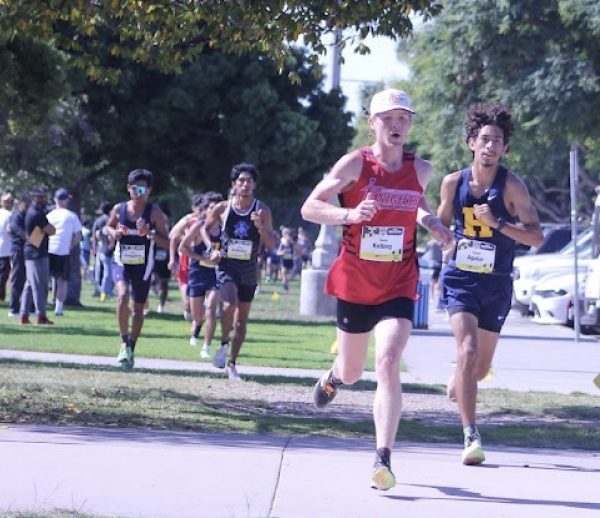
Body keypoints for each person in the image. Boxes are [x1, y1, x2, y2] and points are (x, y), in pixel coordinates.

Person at [301, 88, 453, 491]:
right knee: (352, 371)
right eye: (388, 118)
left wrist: (431, 223)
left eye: (404, 117)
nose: (397, 124)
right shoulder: (355, 164)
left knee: (387, 360)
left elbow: (412, 202)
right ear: (373, 123)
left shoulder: (420, 169)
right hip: (355, 282)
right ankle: (333, 377)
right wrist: (350, 213)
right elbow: (310, 206)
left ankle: (382, 459)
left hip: (398, 280)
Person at [437, 103, 543, 465]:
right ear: (471, 142)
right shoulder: (453, 183)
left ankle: (461, 378)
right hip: (461, 279)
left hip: (496, 283)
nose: (490, 146)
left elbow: (537, 238)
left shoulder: (512, 187)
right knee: (467, 352)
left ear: (505, 148)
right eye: (484, 139)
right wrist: (444, 245)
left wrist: (498, 223)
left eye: (497, 141)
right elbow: (441, 224)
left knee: (478, 369)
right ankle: (471, 435)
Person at [202, 163, 275, 381]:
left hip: (249, 270)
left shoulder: (262, 210)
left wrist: (260, 227)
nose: (245, 185)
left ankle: (232, 364)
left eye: (249, 181)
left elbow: (271, 244)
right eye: (241, 181)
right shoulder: (223, 208)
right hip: (227, 265)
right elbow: (205, 229)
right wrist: (212, 249)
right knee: (228, 304)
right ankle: (224, 342)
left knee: (241, 323)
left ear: (254, 185)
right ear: (234, 184)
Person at [105, 169, 170, 371]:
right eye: (135, 188)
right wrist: (114, 232)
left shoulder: (155, 213)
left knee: (139, 308)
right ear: (128, 189)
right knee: (122, 295)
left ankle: (132, 345)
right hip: (121, 260)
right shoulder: (119, 209)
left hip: (143, 265)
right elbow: (108, 227)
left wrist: (148, 233)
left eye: (142, 189)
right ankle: (124, 342)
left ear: (149, 190)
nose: (138, 192)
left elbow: (167, 243)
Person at [179, 191, 224, 356]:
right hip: (198, 273)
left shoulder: (226, 228)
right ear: (205, 209)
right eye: (211, 208)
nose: (215, 212)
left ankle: (206, 346)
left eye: (218, 208)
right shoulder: (198, 227)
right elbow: (182, 247)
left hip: (217, 274)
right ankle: (198, 325)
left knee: (211, 308)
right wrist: (201, 257)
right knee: (197, 315)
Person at [20, 185, 56, 325]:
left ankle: (24, 315)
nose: (42, 198)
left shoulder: (34, 211)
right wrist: (50, 227)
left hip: (33, 250)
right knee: (38, 286)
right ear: (33, 197)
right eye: (39, 196)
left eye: (43, 196)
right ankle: (41, 316)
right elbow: (51, 230)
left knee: (30, 285)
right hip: (36, 253)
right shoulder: (37, 213)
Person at [168, 193, 204, 321]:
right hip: (186, 263)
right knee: (187, 302)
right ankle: (189, 312)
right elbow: (172, 236)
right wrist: (173, 258)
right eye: (199, 208)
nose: (202, 211)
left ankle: (198, 322)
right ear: (193, 208)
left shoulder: (211, 221)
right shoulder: (187, 221)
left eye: (204, 208)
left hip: (203, 264)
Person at [47, 188, 82, 316]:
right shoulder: (71, 216)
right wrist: (70, 245)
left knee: (44, 280)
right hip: (63, 251)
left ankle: (39, 304)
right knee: (62, 281)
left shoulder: (49, 215)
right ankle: (58, 309)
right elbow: (78, 235)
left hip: (49, 250)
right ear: (66, 200)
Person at [7, 195, 32, 317]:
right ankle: (14, 308)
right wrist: (35, 241)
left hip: (30, 251)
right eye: (26, 203)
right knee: (18, 279)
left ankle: (30, 307)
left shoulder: (30, 215)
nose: (28, 205)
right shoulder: (16, 216)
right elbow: (20, 233)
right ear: (21, 203)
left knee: (31, 279)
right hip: (19, 251)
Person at [91, 201, 114, 301]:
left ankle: (97, 290)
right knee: (108, 273)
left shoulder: (98, 221)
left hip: (100, 248)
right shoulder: (111, 221)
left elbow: (94, 236)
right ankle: (105, 292)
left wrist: (94, 248)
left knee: (98, 271)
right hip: (108, 249)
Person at [0, 191, 14, 302]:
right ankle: (1, 295)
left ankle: (2, 295)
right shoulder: (10, 215)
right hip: (6, 248)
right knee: (4, 274)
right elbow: (10, 230)